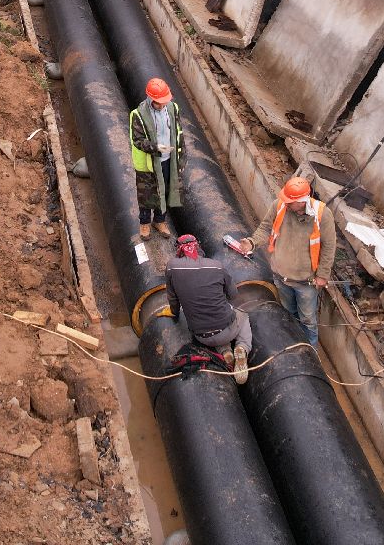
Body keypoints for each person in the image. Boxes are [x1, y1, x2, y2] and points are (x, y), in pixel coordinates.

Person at [233, 177, 333, 345]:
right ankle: (293, 345)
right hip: (281, 277)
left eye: (289, 201)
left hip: (305, 282)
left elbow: (329, 246)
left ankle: (311, 352)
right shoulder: (279, 206)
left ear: (302, 201)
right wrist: (252, 242)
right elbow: (265, 227)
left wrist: (322, 275)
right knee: (288, 314)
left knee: (308, 320)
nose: (285, 203)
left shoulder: (323, 214)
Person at [166, 234, 251, 384]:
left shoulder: (172, 267)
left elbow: (173, 300)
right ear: (198, 246)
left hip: (201, 336)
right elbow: (232, 295)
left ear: (179, 250)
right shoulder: (216, 265)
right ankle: (242, 348)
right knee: (242, 315)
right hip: (226, 328)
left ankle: (225, 351)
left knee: (209, 321)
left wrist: (173, 313)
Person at [129, 77, 182, 239]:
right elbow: (138, 141)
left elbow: (178, 132)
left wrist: (180, 157)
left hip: (167, 160)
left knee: (164, 192)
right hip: (148, 163)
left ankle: (160, 221)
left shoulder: (172, 109)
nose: (163, 105)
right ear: (151, 99)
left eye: (165, 101)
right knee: (146, 194)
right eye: (159, 102)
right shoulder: (138, 115)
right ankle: (144, 224)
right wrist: (156, 148)